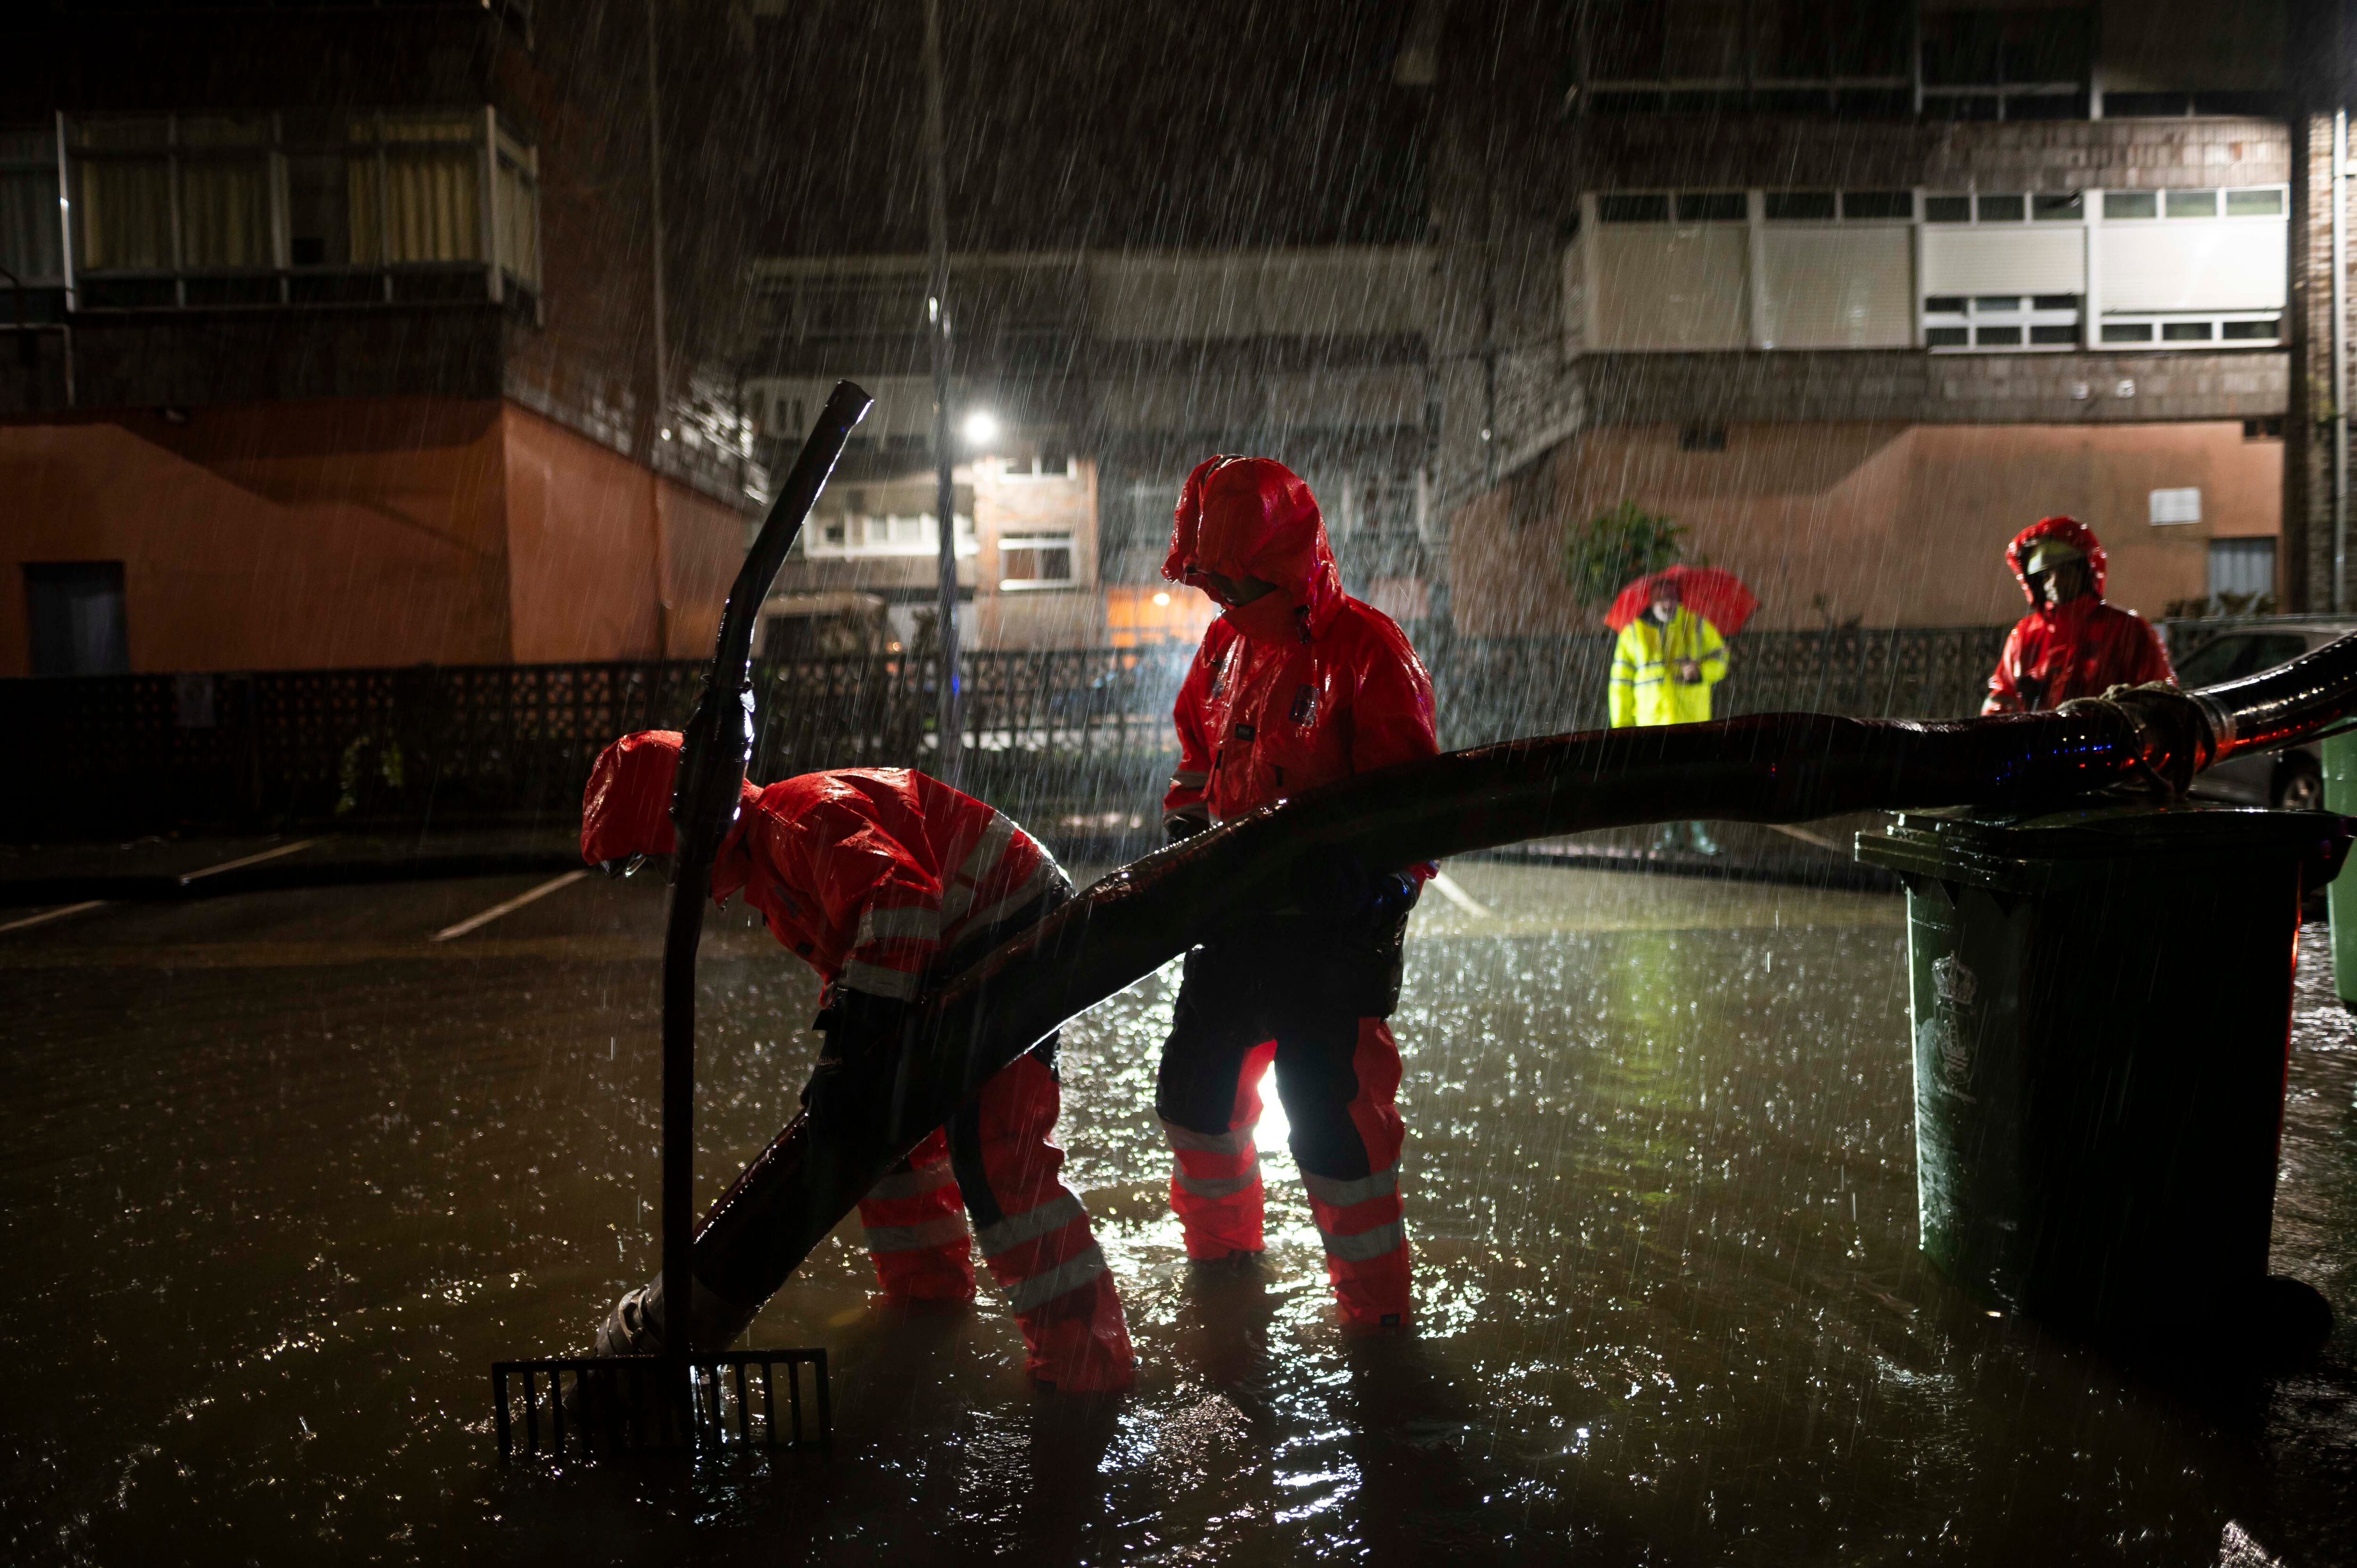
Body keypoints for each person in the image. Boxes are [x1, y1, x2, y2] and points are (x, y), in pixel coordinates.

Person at [579, 731, 1136, 1393]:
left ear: (687, 833)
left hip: (1010, 927)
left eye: (654, 860)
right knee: (887, 1142)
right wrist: (847, 1058)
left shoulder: (798, 819)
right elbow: (858, 954)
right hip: (961, 942)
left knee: (995, 1150)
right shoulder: (771, 863)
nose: (668, 880)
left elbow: (901, 901)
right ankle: (925, 1298)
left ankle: (1085, 1363)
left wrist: (854, 1040)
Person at [1155, 455, 1439, 1329]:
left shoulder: (1367, 650)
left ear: (1283, 567)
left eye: (1232, 582)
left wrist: (1383, 887)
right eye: (1209, 581)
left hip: (1331, 942)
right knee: (1195, 1101)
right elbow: (1197, 756)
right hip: (1234, 924)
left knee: (1337, 1135)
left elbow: (1419, 808)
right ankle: (1225, 1271)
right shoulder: (1225, 642)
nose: (1219, 600)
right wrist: (1188, 824)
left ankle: (1376, 1321)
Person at [1983, 515, 2175, 714]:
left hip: (2108, 744)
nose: (2055, 584)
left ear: (2084, 571)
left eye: (2065, 572)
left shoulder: (2127, 630)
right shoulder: (2025, 635)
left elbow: (2158, 702)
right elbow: (2001, 698)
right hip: (2037, 744)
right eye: (2046, 576)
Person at [1607, 574, 1728, 854]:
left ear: (1681, 598)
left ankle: (1699, 836)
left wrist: (1700, 672)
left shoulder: (1697, 625)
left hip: (1693, 721)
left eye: (1673, 596)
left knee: (1696, 780)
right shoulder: (1633, 635)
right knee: (1664, 783)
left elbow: (1721, 658)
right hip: (1653, 724)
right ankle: (1671, 835)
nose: (1668, 602)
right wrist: (1623, 726)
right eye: (1663, 596)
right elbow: (1620, 684)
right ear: (1651, 599)